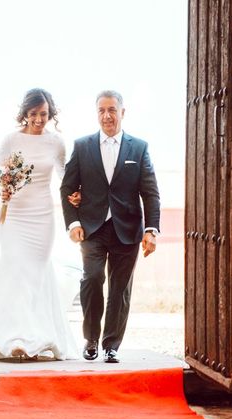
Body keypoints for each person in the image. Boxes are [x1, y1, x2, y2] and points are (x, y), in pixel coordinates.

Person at [0, 88, 79, 361]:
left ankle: (35, 337)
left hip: (42, 216)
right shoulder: (11, 139)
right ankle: (12, 340)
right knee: (15, 269)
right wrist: (3, 188)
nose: (38, 119)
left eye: (44, 114)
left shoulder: (56, 142)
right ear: (25, 113)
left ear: (50, 114)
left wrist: (75, 193)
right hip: (15, 216)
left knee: (35, 274)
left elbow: (64, 175)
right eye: (34, 114)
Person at [60, 90, 160, 363]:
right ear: (96, 114)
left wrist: (152, 230)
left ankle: (112, 344)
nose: (107, 115)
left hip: (127, 230)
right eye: (102, 110)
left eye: (112, 110)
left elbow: (150, 193)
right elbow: (67, 187)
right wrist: (73, 222)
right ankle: (91, 339)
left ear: (122, 112)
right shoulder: (82, 146)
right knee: (92, 279)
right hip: (92, 228)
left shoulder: (139, 148)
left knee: (120, 289)